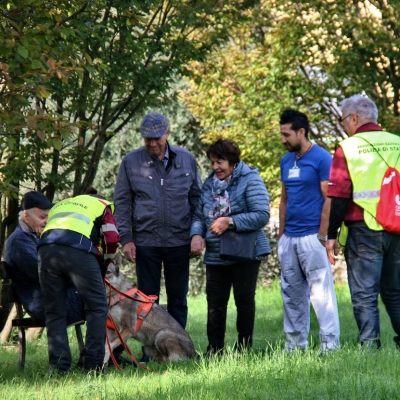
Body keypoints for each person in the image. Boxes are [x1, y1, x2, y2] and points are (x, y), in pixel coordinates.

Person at [114, 112, 202, 331]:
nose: (152, 143)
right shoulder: (131, 162)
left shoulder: (186, 159)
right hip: (146, 243)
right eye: (147, 138)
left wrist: (197, 234)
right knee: (147, 300)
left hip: (180, 241)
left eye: (157, 138)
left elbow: (197, 200)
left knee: (178, 300)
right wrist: (126, 239)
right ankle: (149, 352)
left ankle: (180, 348)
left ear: (167, 134)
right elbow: (122, 203)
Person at [327, 94, 400, 349]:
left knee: (365, 293)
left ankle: (369, 347)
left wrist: (331, 235)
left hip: (364, 228)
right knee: (395, 292)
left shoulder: (348, 147)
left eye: (343, 120)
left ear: (354, 118)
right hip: (397, 228)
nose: (344, 126)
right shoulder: (397, 143)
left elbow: (338, 195)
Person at [190, 139, 271, 354]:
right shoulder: (209, 183)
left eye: (221, 162)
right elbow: (199, 214)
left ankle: (243, 349)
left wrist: (230, 221)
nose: (216, 167)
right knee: (215, 304)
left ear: (233, 162)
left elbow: (262, 215)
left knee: (244, 302)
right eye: (212, 162)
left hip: (244, 252)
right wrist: (196, 234)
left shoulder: (250, 180)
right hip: (216, 253)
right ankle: (214, 349)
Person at [278, 108, 340, 353]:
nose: (283, 140)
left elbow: (330, 199)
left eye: (286, 134)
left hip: (312, 238)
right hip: (289, 239)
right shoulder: (286, 160)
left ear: (301, 132)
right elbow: (283, 200)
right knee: (291, 296)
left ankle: (330, 347)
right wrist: (282, 237)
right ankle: (294, 347)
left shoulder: (322, 158)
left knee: (321, 295)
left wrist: (323, 237)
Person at [38, 192, 119, 374]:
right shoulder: (103, 205)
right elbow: (112, 239)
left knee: (54, 311)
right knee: (97, 307)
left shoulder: (61, 204)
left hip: (45, 250)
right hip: (78, 250)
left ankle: (58, 367)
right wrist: (105, 263)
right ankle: (93, 366)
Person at [5, 191, 84, 325]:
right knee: (99, 300)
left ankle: (108, 344)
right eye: (42, 217)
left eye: (48, 217)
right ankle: (106, 345)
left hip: (56, 295)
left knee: (102, 296)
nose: (46, 221)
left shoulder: (36, 236)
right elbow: (45, 273)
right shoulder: (19, 241)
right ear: (26, 216)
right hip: (44, 302)